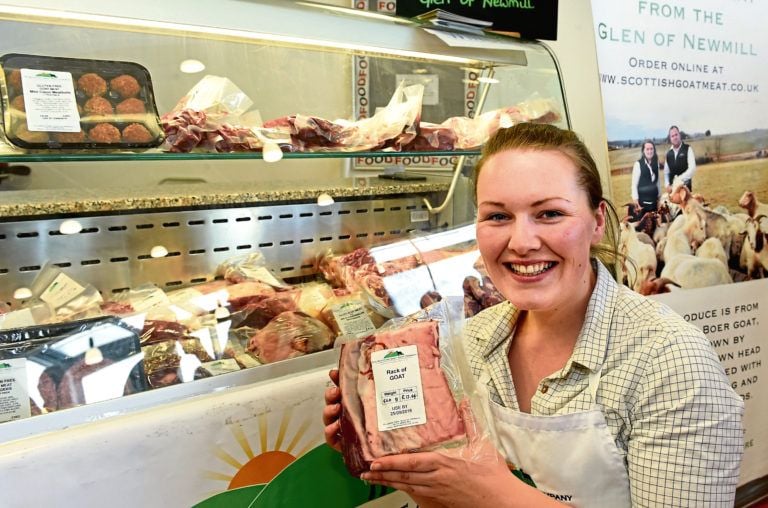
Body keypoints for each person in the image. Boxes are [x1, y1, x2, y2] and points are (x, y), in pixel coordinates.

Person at [323, 123, 744, 507]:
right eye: (498, 216)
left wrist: (490, 493)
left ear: (597, 222)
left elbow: (480, 491)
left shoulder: (671, 361)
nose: (522, 242)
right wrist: (385, 442)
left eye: (550, 214)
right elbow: (453, 489)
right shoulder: (471, 341)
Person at [629, 139, 661, 220]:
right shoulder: (638, 164)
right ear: (643, 151)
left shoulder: (656, 163)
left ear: (654, 150)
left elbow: (658, 182)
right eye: (647, 149)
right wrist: (636, 203)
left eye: (651, 149)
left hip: (654, 203)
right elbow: (634, 185)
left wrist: (659, 198)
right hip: (642, 205)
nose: (650, 151)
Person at [664, 125, 696, 192]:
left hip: (685, 189)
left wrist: (679, 180)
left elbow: (692, 169)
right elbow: (666, 172)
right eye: (672, 136)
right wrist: (667, 184)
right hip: (672, 191)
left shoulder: (688, 149)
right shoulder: (668, 153)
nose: (675, 137)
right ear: (670, 138)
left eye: (676, 135)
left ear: (679, 135)